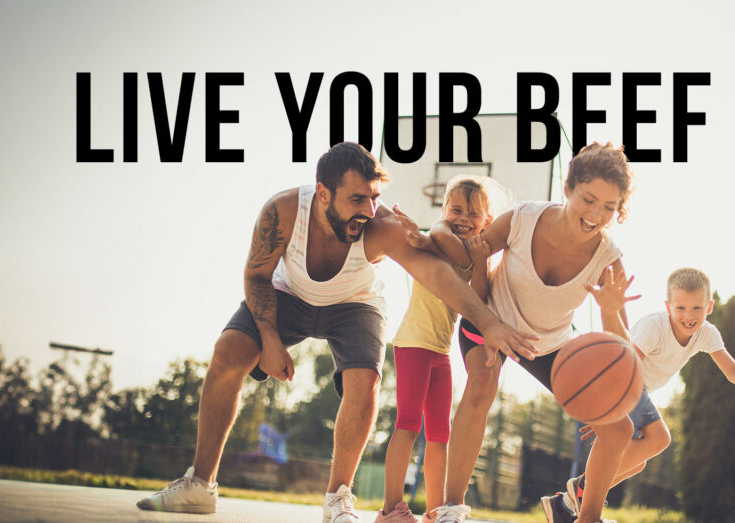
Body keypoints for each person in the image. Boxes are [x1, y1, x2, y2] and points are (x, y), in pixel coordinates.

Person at [135, 143, 536, 522]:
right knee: (228, 351)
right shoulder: (284, 211)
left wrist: (489, 324)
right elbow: (256, 276)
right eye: (358, 199)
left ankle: (338, 496)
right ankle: (200, 484)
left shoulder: (381, 226)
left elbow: (435, 274)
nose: (369, 208)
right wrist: (270, 340)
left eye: (374, 197)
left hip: (355, 304)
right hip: (286, 294)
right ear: (323, 194)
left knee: (365, 380)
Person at [431, 143, 644, 523]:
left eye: (609, 208)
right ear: (568, 188)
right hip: (490, 320)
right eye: (588, 199)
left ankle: (587, 517)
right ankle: (451, 508)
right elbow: (469, 258)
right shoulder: (522, 220)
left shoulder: (608, 259)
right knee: (481, 385)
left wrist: (610, 311)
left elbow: (621, 349)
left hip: (547, 345)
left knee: (619, 429)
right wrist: (435, 235)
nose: (596, 215)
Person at [540, 267, 735, 522]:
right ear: (669, 306)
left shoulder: (706, 333)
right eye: (681, 309)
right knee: (659, 438)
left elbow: (732, 370)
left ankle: (566, 503)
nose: (689, 316)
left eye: (696, 309)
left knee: (638, 461)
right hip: (623, 383)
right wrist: (606, 408)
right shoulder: (654, 327)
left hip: (634, 389)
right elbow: (624, 366)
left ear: (708, 307)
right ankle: (585, 506)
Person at [375, 175, 503, 523]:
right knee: (407, 424)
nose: (463, 217)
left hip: (440, 352)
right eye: (456, 208)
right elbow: (441, 236)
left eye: (473, 213)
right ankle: (390, 510)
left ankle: (435, 511)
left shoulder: (470, 256)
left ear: (487, 221)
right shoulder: (438, 234)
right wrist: (425, 240)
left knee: (440, 435)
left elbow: (479, 298)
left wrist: (479, 259)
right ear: (444, 209)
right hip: (414, 343)